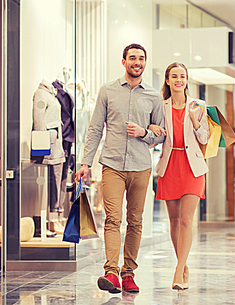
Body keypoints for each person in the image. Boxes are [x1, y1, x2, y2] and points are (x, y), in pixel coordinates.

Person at [75, 43, 165, 294]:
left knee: (135, 221)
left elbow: (161, 134)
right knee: (113, 219)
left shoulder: (154, 96)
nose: (137, 62)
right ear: (123, 61)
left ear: (145, 63)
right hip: (112, 164)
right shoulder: (107, 91)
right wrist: (85, 163)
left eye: (141, 59)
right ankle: (111, 273)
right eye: (133, 58)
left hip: (140, 167)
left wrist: (144, 132)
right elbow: (95, 129)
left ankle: (129, 274)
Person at [149, 62, 210, 290]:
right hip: (170, 164)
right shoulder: (160, 105)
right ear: (167, 80)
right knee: (173, 221)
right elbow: (155, 135)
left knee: (186, 220)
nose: (178, 80)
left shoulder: (198, 105)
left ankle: (178, 270)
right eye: (174, 76)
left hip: (192, 167)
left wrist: (195, 121)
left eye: (182, 76)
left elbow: (204, 139)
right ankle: (183, 266)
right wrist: (152, 130)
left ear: (187, 80)